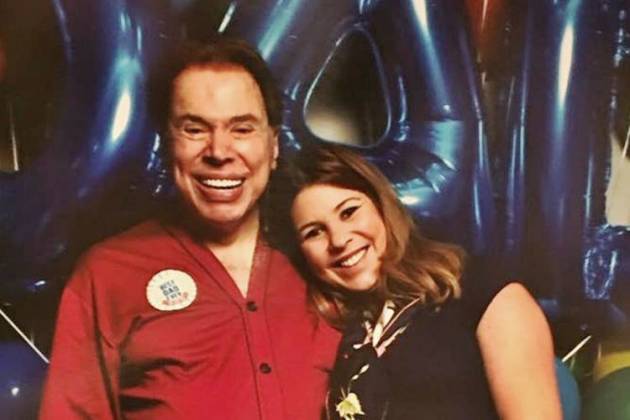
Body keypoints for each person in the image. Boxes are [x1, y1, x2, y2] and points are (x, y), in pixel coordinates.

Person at [39, 38, 341, 420]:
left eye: (242, 129)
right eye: (194, 129)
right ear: (167, 144)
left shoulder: (326, 259)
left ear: (274, 146)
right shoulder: (106, 274)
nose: (219, 152)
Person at [272, 143, 562, 419]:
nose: (338, 240)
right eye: (314, 232)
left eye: (349, 212)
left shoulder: (484, 290)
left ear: (382, 206)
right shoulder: (342, 333)